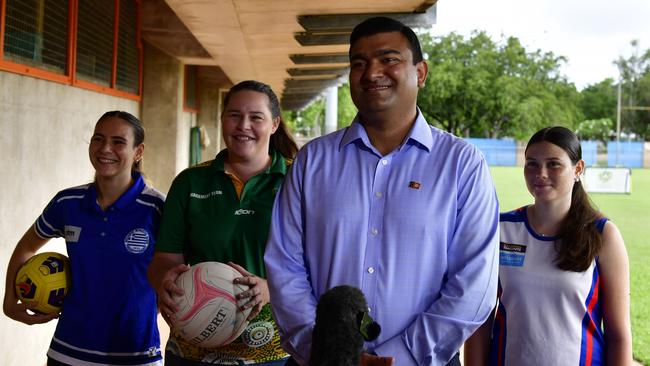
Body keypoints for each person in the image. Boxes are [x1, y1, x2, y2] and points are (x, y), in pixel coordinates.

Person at [264, 17, 500, 366]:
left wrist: (397, 358)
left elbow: (475, 282)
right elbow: (284, 267)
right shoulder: (312, 161)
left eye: (389, 59)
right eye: (358, 63)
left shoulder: (462, 164)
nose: (372, 72)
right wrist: (331, 352)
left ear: (420, 73)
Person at [147, 80, 298, 366]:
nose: (243, 125)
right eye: (234, 115)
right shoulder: (190, 182)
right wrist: (164, 279)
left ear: (275, 124)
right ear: (223, 119)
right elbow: (164, 258)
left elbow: (319, 263)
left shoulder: (299, 179)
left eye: (256, 117)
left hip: (272, 353)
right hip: (193, 349)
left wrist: (270, 288)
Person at [2, 111, 165, 365]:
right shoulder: (67, 202)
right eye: (98, 139)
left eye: (118, 142)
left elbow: (178, 270)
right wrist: (10, 301)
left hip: (135, 352)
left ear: (138, 151)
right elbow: (26, 247)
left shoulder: (157, 207)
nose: (105, 148)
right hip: (68, 351)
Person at [464, 126, 633, 366]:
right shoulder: (502, 228)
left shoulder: (603, 234)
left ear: (578, 169)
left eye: (553, 164)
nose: (540, 173)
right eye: (532, 163)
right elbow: (480, 321)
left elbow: (619, 335)